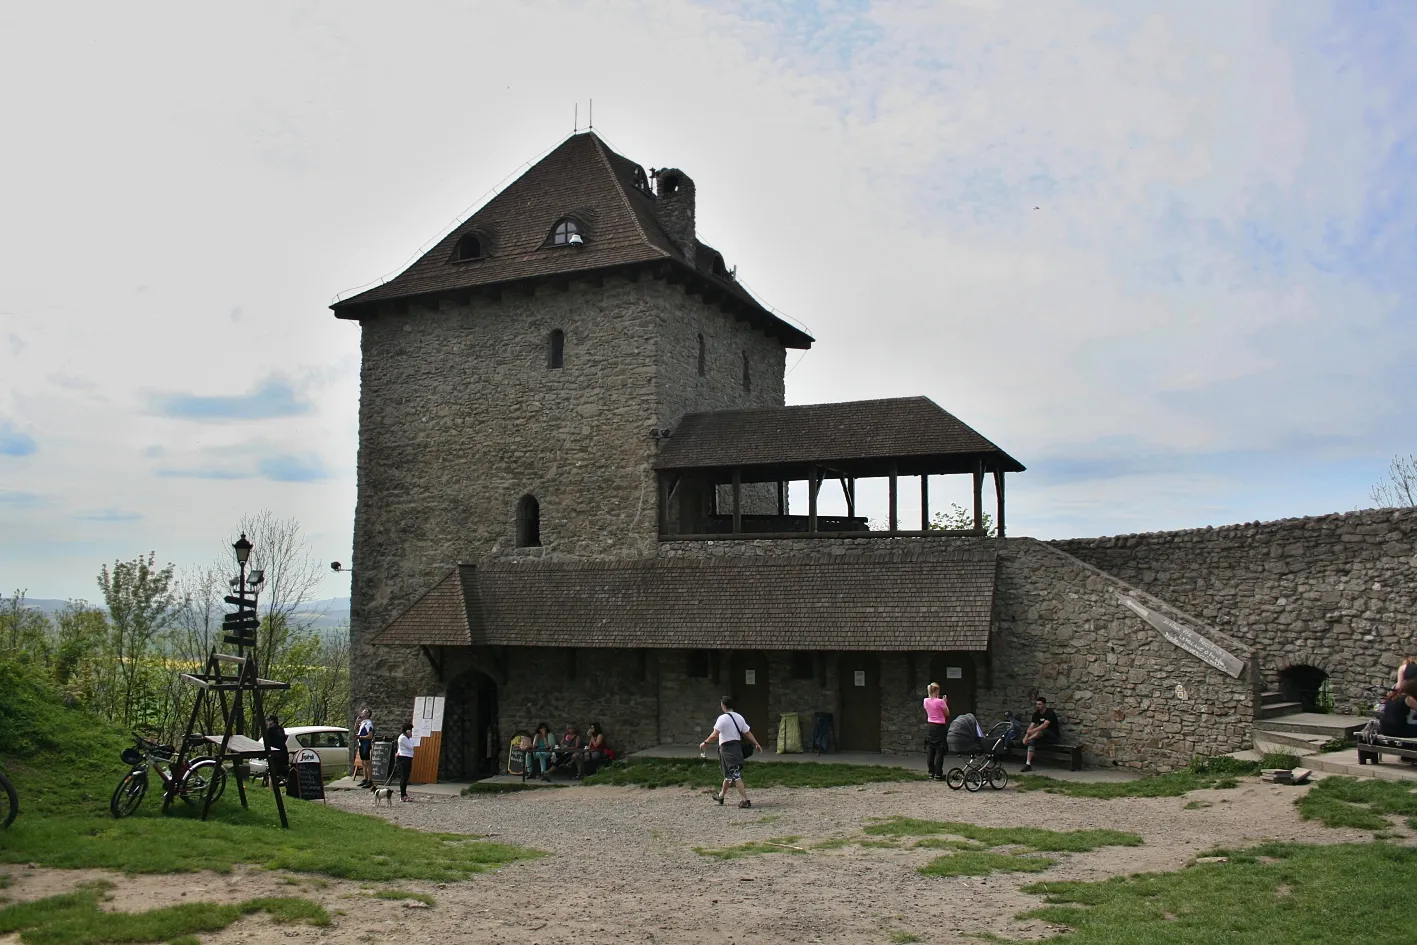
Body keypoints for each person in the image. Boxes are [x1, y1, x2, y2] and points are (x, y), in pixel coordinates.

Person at [699, 696, 766, 809]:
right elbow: (747, 733)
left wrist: (705, 742)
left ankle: (745, 800)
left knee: (735, 775)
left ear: (723, 706)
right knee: (728, 775)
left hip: (726, 750)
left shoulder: (722, 718)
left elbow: (715, 734)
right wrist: (756, 744)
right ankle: (721, 797)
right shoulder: (739, 717)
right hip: (736, 748)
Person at [1020, 697, 1060, 772]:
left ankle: (1029, 739)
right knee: (1032, 742)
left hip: (1052, 736)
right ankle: (1028, 764)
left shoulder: (1050, 713)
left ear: (1044, 705)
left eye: (1040, 704)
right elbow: (1031, 726)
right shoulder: (1036, 714)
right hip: (1041, 736)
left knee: (1041, 731)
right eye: (1037, 704)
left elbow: (1045, 725)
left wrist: (1031, 734)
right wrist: (1026, 737)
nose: (1037, 706)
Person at [923, 682, 950, 782]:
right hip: (939, 726)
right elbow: (947, 713)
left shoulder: (925, 701)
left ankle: (931, 771)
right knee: (939, 750)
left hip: (930, 726)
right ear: (936, 691)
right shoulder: (940, 702)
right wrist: (945, 702)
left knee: (930, 748)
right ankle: (938, 773)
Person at [263, 714, 289, 784]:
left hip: (275, 752)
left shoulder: (270, 730)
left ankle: (271, 784)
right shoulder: (281, 729)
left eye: (269, 721)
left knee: (273, 769)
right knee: (281, 769)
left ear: (272, 721)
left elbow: (267, 741)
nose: (268, 723)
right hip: (284, 752)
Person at [395, 722, 416, 802]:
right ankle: (402, 795)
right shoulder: (403, 738)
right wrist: (411, 738)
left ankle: (404, 794)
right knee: (404, 777)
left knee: (406, 777)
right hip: (404, 758)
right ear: (407, 731)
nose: (411, 732)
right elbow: (411, 746)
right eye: (410, 730)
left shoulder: (406, 738)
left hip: (407, 757)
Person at [354, 708, 374, 788]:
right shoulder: (363, 723)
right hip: (361, 744)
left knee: (367, 762)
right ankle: (365, 778)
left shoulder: (368, 723)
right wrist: (357, 721)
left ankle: (370, 780)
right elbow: (356, 729)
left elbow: (370, 735)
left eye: (364, 712)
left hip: (366, 744)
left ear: (368, 714)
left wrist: (361, 737)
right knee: (363, 763)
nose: (362, 713)